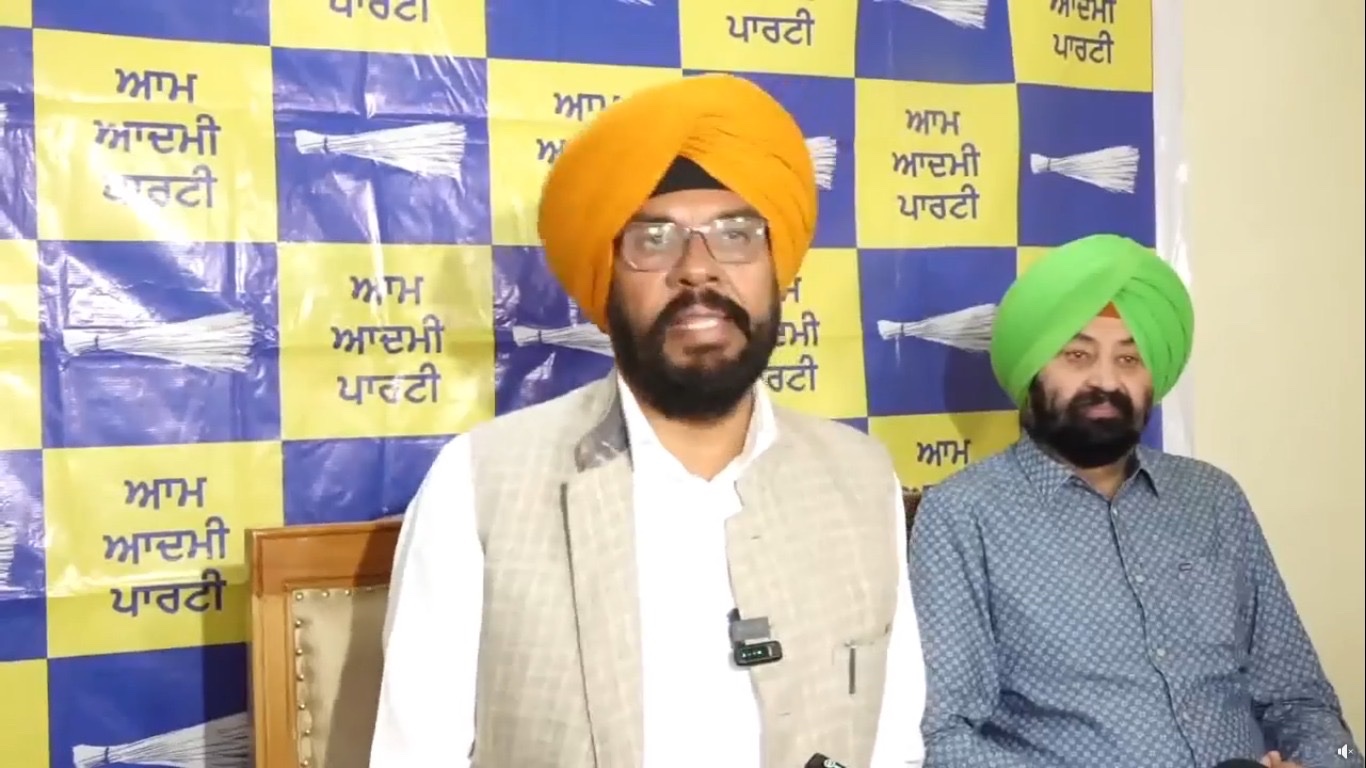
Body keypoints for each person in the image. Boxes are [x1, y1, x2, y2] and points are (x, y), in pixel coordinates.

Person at [369, 73, 926, 768]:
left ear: (774, 268)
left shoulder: (859, 478)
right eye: (654, 239)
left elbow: (892, 743)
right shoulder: (480, 484)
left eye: (735, 234)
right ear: (607, 278)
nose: (697, 270)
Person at [907, 234, 1361, 768]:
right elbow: (947, 736)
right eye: (1077, 355)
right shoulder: (965, 515)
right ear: (1032, 371)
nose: (1105, 380)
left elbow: (1303, 701)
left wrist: (1331, 760)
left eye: (1129, 358)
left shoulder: (1213, 498)